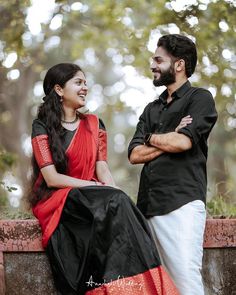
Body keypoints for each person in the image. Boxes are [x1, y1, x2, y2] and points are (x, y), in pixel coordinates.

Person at [28, 63, 179, 295]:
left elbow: (103, 169)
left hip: (90, 197)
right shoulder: (41, 127)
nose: (85, 88)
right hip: (57, 201)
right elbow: (51, 178)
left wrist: (115, 193)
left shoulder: (94, 124)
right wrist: (94, 186)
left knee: (122, 205)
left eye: (86, 83)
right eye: (78, 82)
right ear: (59, 90)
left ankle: (143, 287)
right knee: (113, 202)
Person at [128, 34, 218, 295]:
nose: (152, 65)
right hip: (147, 208)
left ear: (179, 65)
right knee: (157, 288)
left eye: (158, 59)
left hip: (182, 205)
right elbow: (134, 155)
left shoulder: (200, 99)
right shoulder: (151, 109)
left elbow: (182, 144)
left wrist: (150, 139)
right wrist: (165, 137)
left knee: (185, 281)